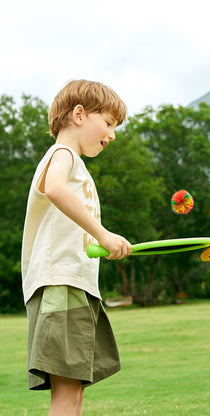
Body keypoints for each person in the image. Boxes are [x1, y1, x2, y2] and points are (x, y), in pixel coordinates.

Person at [21, 80, 132, 416]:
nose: (112, 134)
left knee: (74, 394)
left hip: (74, 285)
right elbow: (55, 188)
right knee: (67, 395)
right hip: (61, 284)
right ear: (79, 114)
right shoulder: (63, 154)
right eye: (109, 123)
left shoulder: (76, 165)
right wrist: (103, 233)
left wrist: (102, 241)